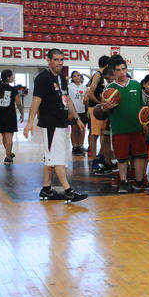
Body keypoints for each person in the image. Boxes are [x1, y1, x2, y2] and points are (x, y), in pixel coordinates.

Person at [23, 49, 88, 202]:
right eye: (56, 59)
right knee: (56, 157)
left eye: (61, 59)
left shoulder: (61, 78)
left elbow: (67, 100)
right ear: (48, 60)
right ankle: (68, 190)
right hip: (50, 124)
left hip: (61, 123)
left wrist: (77, 119)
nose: (59, 62)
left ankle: (46, 189)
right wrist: (29, 123)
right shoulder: (43, 78)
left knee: (51, 157)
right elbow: (36, 101)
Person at [101, 56, 148, 193]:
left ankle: (138, 181)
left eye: (123, 69)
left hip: (137, 127)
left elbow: (142, 106)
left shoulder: (136, 85)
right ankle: (123, 181)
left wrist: (146, 123)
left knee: (140, 155)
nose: (121, 73)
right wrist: (105, 107)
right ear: (113, 72)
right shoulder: (109, 89)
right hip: (119, 129)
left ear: (127, 70)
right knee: (121, 158)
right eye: (118, 70)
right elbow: (103, 110)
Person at [0, 70, 24, 165]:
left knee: (4, 135)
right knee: (9, 136)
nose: (13, 78)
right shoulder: (13, 90)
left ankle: (9, 152)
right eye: (12, 76)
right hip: (9, 115)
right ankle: (8, 158)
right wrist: (22, 113)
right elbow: (18, 103)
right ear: (8, 78)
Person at [85, 55, 110, 159]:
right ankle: (94, 158)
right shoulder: (98, 75)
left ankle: (100, 155)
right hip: (95, 108)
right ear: (107, 65)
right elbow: (90, 94)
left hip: (99, 107)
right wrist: (100, 103)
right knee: (94, 134)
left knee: (102, 134)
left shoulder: (100, 75)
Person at [68, 71, 88, 156]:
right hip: (73, 112)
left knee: (82, 130)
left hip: (82, 111)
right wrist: (69, 112)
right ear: (72, 78)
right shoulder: (69, 86)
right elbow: (67, 99)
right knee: (75, 130)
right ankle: (74, 147)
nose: (77, 77)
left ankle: (80, 146)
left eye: (78, 76)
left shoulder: (84, 87)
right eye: (74, 76)